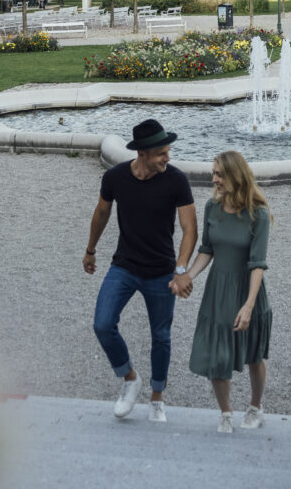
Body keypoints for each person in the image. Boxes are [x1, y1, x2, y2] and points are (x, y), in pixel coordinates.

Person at [85, 119, 197, 423]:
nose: (168, 158)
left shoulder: (176, 180)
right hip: (125, 266)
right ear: (143, 153)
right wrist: (91, 249)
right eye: (161, 152)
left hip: (162, 271)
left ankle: (157, 397)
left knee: (161, 335)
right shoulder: (115, 177)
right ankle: (130, 378)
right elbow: (102, 212)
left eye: (168, 151)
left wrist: (181, 269)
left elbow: (190, 229)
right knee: (102, 324)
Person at [178, 150, 273, 434]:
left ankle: (256, 407)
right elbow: (207, 250)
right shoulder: (211, 207)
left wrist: (248, 305)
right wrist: (186, 277)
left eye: (219, 174)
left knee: (254, 355)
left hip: (248, 290)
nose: (214, 179)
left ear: (235, 176)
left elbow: (258, 264)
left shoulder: (259, 215)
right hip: (218, 292)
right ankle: (226, 413)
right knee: (216, 356)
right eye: (214, 173)